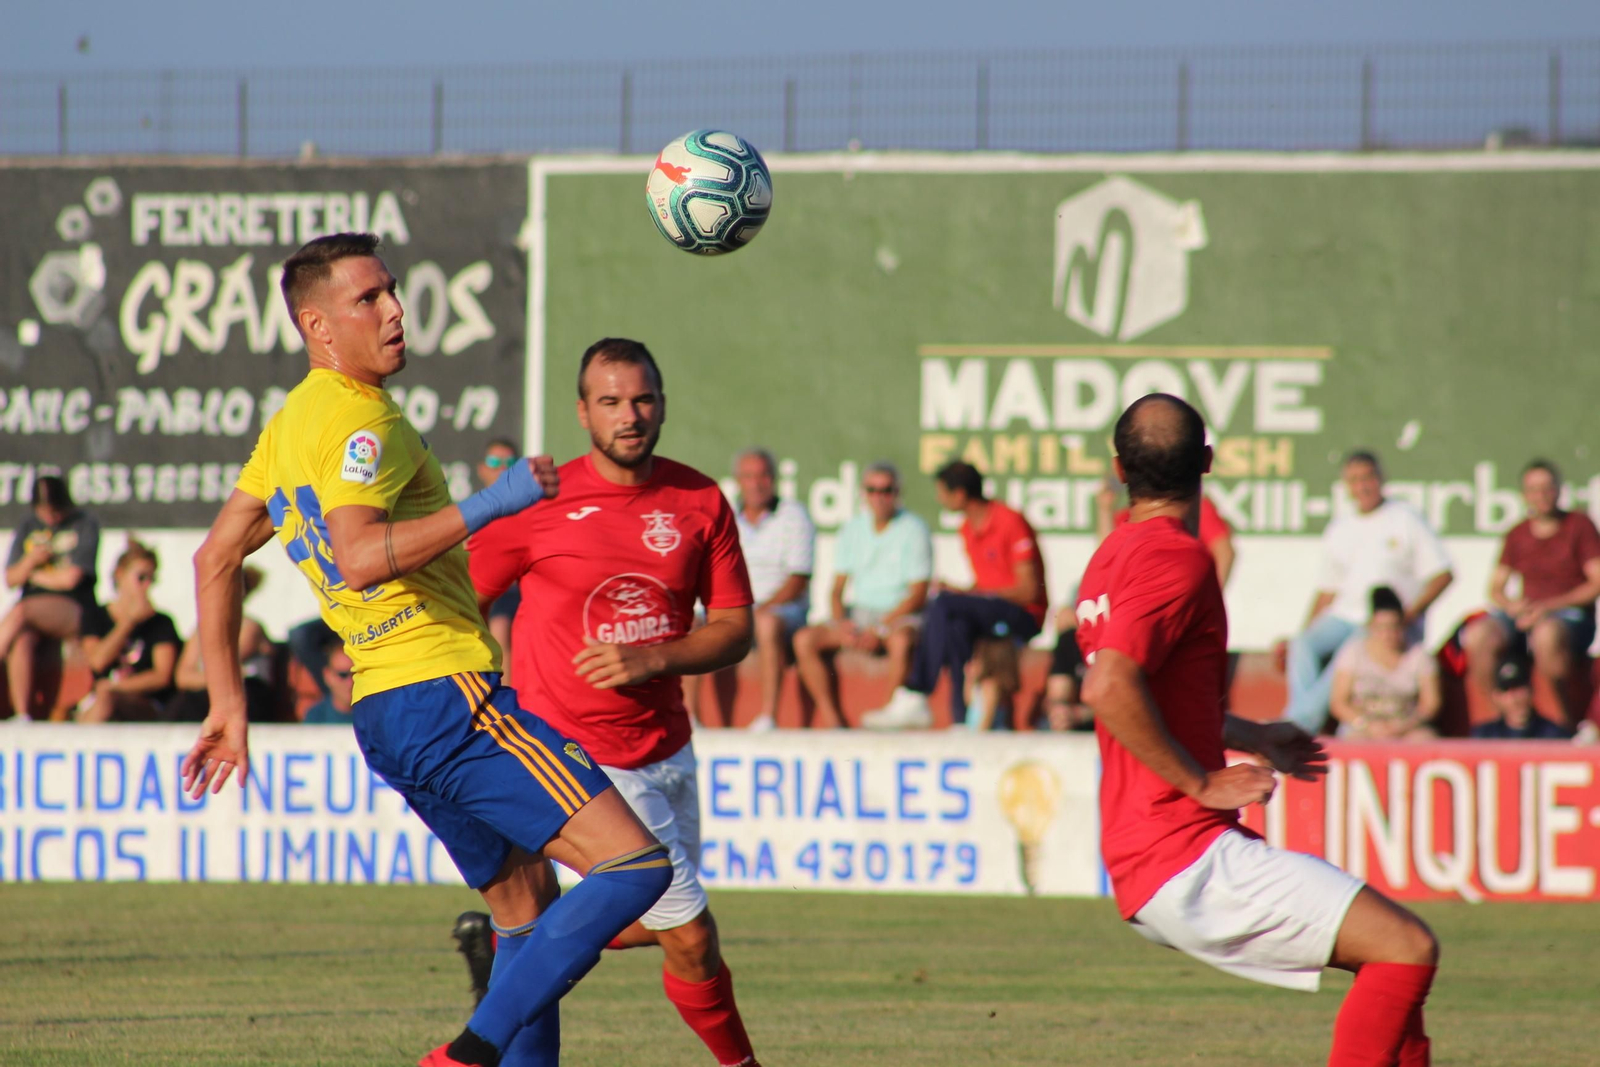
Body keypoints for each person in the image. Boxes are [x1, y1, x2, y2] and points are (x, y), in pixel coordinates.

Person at [179, 233, 670, 1067]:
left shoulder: (293, 421)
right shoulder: (358, 419)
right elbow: (362, 558)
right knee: (636, 869)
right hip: (447, 694)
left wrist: (226, 705)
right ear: (318, 325)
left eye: (393, 290)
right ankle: (466, 1054)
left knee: (523, 907)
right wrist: (493, 501)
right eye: (368, 298)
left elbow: (214, 557)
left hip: (385, 710)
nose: (396, 310)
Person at [1077, 393, 1439, 1067]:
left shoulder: (1111, 556)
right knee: (1406, 948)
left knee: (1393, 962)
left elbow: (1144, 691)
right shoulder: (1175, 559)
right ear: (1208, 462)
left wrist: (1248, 731)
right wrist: (1201, 779)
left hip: (1148, 848)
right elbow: (1108, 687)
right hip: (1180, 850)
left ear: (1120, 468)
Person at [464, 337, 763, 1067]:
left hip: (666, 745)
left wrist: (653, 655)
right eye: (610, 402)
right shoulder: (539, 504)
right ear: (582, 411)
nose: (629, 415)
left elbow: (735, 628)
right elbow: (458, 600)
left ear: (661, 403)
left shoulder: (698, 500)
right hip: (577, 752)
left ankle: (513, 952)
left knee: (651, 923)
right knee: (690, 932)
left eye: (642, 400)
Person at [863, 461, 1047, 730]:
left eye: (942, 492)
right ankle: (960, 720)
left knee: (943, 604)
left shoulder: (1009, 521)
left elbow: (1028, 590)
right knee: (955, 624)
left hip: (1025, 614)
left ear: (959, 494)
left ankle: (917, 691)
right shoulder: (967, 528)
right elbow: (988, 584)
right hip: (994, 608)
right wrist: (965, 593)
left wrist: (970, 596)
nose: (939, 499)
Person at [1283, 451, 1453, 734]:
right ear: (1346, 486)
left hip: (1383, 622)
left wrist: (1407, 615)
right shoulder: (1341, 527)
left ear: (1381, 479)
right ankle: (1300, 717)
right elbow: (1328, 590)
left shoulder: (1405, 518)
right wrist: (1305, 631)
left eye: (1368, 478)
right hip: (1344, 616)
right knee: (1301, 645)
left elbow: (1442, 575)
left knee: (1345, 655)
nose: (1362, 486)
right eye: (1354, 480)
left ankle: (1299, 725)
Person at [791, 462, 931, 728]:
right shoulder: (852, 529)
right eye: (872, 490)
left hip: (898, 615)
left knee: (902, 642)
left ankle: (889, 714)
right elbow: (836, 590)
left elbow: (917, 595)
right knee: (804, 640)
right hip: (860, 613)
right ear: (863, 494)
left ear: (898, 493)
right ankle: (832, 719)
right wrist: (843, 624)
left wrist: (879, 628)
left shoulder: (915, 529)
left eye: (886, 490)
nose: (879, 497)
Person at [1462, 459, 1600, 729]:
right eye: (1534, 489)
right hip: (1527, 614)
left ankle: (1559, 725)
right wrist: (1513, 607)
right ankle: (1493, 724)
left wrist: (1548, 607)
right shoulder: (1517, 533)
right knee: (1478, 635)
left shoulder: (1579, 526)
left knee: (1546, 635)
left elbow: (1595, 582)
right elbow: (1496, 588)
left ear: (1559, 490)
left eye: (1547, 488)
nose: (1542, 495)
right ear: (1524, 495)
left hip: (1569, 616)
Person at [711, 447, 813, 731]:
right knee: (695, 626)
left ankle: (768, 716)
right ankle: (697, 720)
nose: (757, 483)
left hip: (783, 610)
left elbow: (798, 579)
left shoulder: (794, 515)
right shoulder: (725, 516)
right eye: (749, 476)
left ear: (775, 479)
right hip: (738, 609)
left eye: (764, 475)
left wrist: (757, 611)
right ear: (738, 481)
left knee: (766, 623)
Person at [0, 475, 101, 720]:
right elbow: (11, 578)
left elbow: (71, 579)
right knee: (22, 639)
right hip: (33, 609)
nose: (50, 518)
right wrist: (31, 561)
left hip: (73, 607)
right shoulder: (29, 526)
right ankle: (23, 714)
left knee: (22, 611)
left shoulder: (84, 524)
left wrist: (32, 574)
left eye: (55, 511)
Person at [76, 540, 181, 723]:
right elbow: (97, 661)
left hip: (145, 703)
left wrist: (116, 687)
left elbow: (161, 676)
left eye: (151, 579)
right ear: (120, 575)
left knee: (107, 699)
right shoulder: (96, 616)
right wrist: (128, 623)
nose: (146, 586)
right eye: (141, 578)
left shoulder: (161, 622)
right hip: (99, 700)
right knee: (100, 704)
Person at [1328, 587, 1441, 742]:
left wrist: (1404, 725)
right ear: (1371, 626)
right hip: (1362, 727)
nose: (1388, 635)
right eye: (1381, 628)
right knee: (1355, 744)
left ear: (1403, 625)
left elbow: (1430, 703)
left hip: (1406, 726)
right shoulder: (1353, 652)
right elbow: (1338, 702)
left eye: (1394, 627)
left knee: (1425, 742)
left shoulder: (1419, 656)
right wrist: (1366, 724)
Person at [171, 564, 276, 723]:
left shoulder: (251, 627)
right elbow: (183, 677)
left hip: (247, 695)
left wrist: (199, 677)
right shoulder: (201, 629)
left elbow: (224, 664)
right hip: (208, 694)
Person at [477, 438, 524, 686]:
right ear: (482, 469)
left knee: (501, 623)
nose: (502, 469)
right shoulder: (471, 514)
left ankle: (508, 700)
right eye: (495, 462)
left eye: (510, 463)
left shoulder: (530, 510)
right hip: (481, 596)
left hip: (518, 594)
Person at [1471, 657, 1570, 740]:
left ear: (1531, 690)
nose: (1515, 699)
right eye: (1507, 691)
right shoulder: (1485, 736)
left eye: (1519, 689)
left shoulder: (1554, 735)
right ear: (1496, 697)